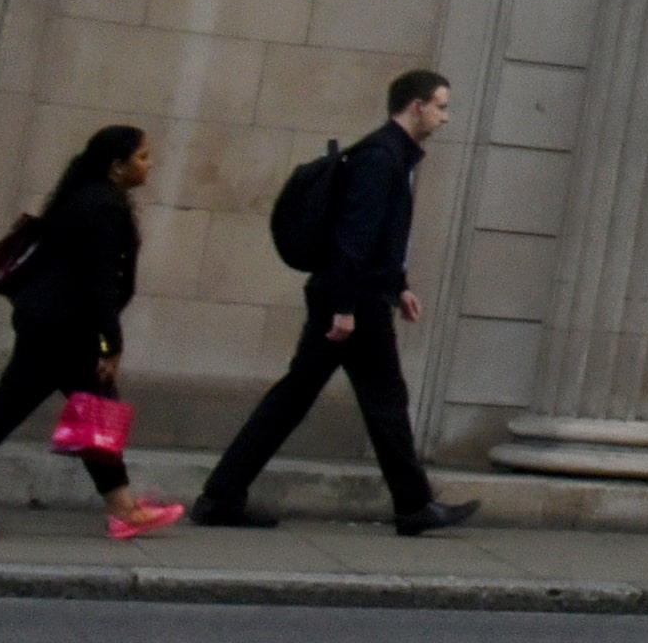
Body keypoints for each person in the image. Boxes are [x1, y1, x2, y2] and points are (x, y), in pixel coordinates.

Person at [190, 72, 474, 536]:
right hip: (353, 301)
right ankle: (414, 505)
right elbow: (352, 238)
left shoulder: (388, 155)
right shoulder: (381, 159)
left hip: (353, 295)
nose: (445, 117)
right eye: (440, 106)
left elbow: (378, 238)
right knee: (382, 400)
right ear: (417, 106)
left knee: (298, 397)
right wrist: (345, 308)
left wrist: (398, 285)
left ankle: (221, 495)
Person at [0, 124, 178, 544]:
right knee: (6, 414)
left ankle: (123, 508)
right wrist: (111, 344)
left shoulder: (82, 197)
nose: (150, 164)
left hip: (55, 326)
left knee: (95, 414)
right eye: (142, 157)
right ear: (117, 166)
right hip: (60, 332)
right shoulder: (104, 208)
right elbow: (100, 284)